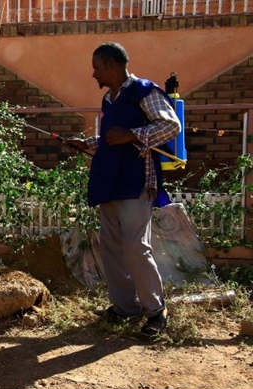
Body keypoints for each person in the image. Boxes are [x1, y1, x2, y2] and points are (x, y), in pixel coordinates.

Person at [65, 42, 181, 338]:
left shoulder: (143, 90)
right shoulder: (109, 100)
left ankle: (156, 312)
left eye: (97, 67)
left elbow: (171, 126)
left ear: (112, 66)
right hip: (111, 182)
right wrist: (85, 144)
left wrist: (133, 134)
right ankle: (124, 308)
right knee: (112, 247)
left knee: (135, 246)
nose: (93, 74)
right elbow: (110, 141)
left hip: (136, 181)